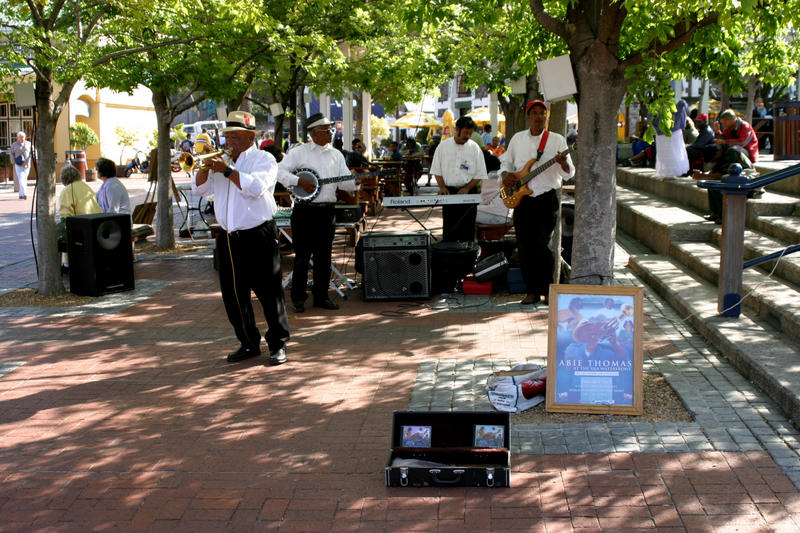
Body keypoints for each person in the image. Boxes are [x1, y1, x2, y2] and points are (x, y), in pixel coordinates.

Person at [193, 110, 310, 365]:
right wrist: (204, 166)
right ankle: (248, 342)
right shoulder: (221, 161)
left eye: (234, 137)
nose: (229, 142)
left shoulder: (263, 159)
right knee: (234, 296)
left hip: (258, 236)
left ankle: (278, 344)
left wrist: (226, 170)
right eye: (227, 137)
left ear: (248, 137)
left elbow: (255, 188)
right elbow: (201, 189)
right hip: (227, 237)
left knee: (269, 293)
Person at [279, 112, 361, 313]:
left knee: (324, 257)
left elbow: (344, 182)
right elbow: (279, 172)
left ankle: (321, 296)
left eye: (331, 130)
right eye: (327, 131)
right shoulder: (299, 152)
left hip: (327, 211)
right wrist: (299, 181)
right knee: (302, 257)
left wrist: (356, 182)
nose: (331, 134)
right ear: (314, 133)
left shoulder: (336, 154)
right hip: (304, 211)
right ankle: (298, 298)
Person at [500, 100, 574, 305]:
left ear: (547, 116)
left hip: (546, 198)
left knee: (543, 245)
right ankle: (531, 291)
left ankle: (549, 290)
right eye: (534, 113)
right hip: (523, 200)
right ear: (528, 116)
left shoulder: (557, 140)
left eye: (542, 113)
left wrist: (563, 163)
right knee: (524, 246)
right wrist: (505, 174)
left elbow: (569, 174)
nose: (539, 116)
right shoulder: (517, 139)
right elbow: (506, 161)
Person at [429, 115, 487, 242]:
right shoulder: (443, 147)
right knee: (450, 229)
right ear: (457, 129)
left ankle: (469, 259)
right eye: (465, 132)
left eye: (470, 133)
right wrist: (442, 187)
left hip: (469, 192)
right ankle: (449, 258)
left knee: (468, 229)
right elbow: (436, 170)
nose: (467, 136)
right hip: (449, 192)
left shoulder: (475, 148)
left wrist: (467, 188)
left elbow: (480, 173)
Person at [691, 143, 755, 224]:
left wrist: (702, 176)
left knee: (719, 185)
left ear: (717, 153)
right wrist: (702, 175)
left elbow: (722, 175)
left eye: (712, 159)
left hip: (745, 182)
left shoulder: (731, 153)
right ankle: (715, 212)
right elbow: (714, 172)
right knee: (711, 183)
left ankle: (723, 215)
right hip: (734, 181)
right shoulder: (721, 155)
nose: (712, 162)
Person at [653, 98, 690, 178]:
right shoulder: (677, 103)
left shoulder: (657, 105)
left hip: (662, 134)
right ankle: (671, 173)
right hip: (674, 133)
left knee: (666, 153)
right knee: (674, 152)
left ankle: (668, 173)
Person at [10, 131, 31, 199]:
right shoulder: (14, 144)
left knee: (24, 179)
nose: (22, 139)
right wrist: (13, 161)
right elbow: (11, 153)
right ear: (17, 138)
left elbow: (32, 152)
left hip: (26, 164)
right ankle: (24, 194)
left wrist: (31, 160)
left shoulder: (28, 144)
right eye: (20, 137)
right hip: (18, 164)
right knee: (21, 178)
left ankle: (21, 194)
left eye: (23, 137)